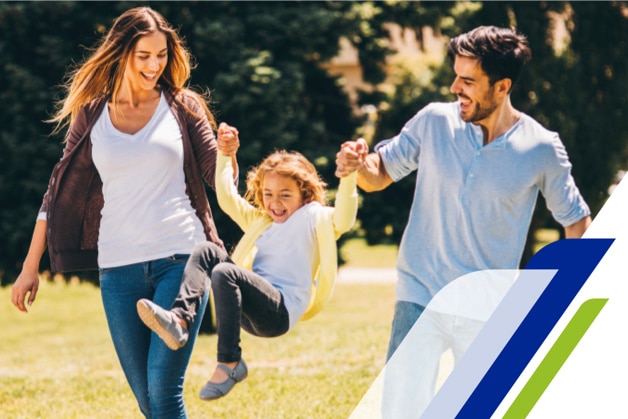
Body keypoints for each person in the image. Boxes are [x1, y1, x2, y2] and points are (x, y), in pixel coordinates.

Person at [336, 25, 592, 416]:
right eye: (455, 76)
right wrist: (357, 166)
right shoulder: (434, 121)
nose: (456, 88)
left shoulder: (540, 147)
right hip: (419, 293)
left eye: (469, 81)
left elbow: (576, 223)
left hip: (487, 306)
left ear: (502, 86)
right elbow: (380, 174)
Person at [10, 7, 227, 418]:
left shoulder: (183, 106)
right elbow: (56, 194)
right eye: (143, 55)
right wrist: (29, 265)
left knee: (164, 394)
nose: (154, 65)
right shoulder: (92, 115)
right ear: (121, 52)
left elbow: (218, 176)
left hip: (180, 258)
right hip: (118, 268)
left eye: (161, 55)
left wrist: (233, 160)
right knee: (149, 402)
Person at [136, 122, 359, 401]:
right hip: (247, 308)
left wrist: (349, 177)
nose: (274, 203)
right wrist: (225, 154)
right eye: (268, 194)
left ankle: (230, 362)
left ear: (305, 194)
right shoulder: (262, 221)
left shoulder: (314, 217)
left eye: (285, 195)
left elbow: (345, 218)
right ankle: (180, 319)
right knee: (207, 250)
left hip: (279, 312)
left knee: (226, 273)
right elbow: (227, 197)